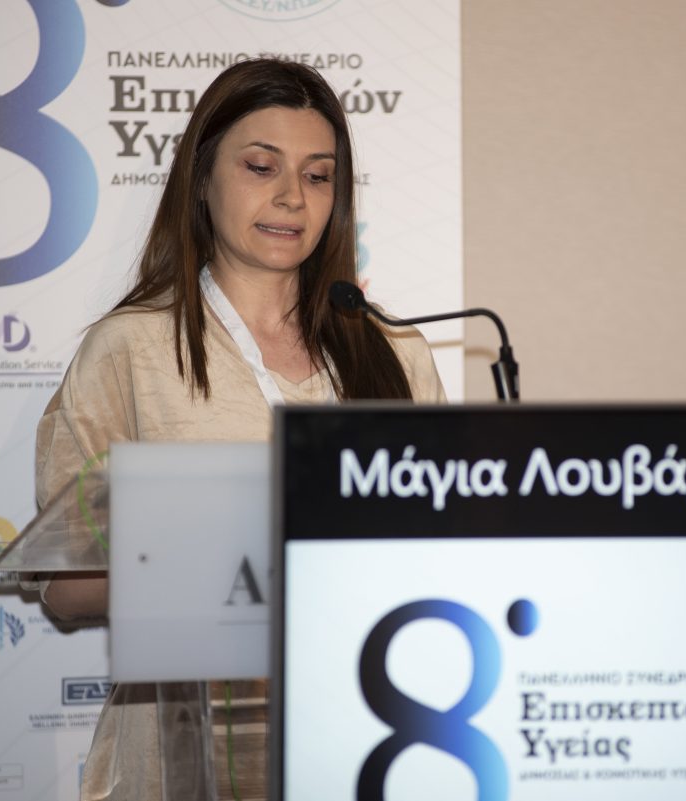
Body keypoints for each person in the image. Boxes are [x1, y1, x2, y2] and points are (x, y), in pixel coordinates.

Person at [33, 58, 444, 801]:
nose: (292, 196)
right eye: (261, 166)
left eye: (318, 176)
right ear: (202, 178)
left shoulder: (397, 353)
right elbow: (66, 587)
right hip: (179, 757)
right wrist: (235, 570)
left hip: (364, 742)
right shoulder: (131, 351)